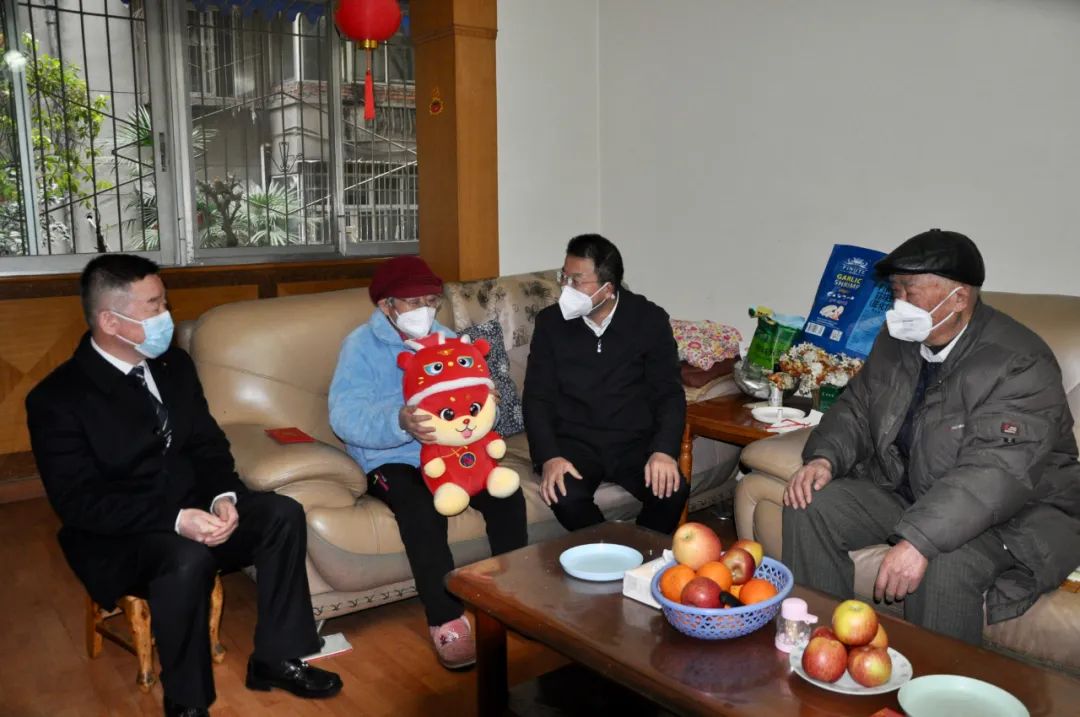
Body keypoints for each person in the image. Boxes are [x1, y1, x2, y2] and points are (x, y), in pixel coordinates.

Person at [25, 255, 341, 717]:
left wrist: (223, 496)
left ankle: (277, 658)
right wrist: (175, 520)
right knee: (186, 559)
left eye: (164, 302)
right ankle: (187, 702)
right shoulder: (57, 399)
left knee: (281, 514)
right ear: (110, 321)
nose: (166, 315)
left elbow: (207, 444)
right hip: (121, 535)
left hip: (194, 509)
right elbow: (79, 503)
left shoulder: (173, 365)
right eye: (154, 306)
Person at [782, 229, 1080, 645]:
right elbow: (858, 406)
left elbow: (995, 472)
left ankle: (939, 681)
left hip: (1015, 515)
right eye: (895, 291)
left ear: (959, 298)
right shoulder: (899, 340)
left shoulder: (1020, 363)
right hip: (916, 493)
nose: (898, 304)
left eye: (911, 291)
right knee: (810, 502)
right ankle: (822, 645)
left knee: (943, 560)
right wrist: (824, 458)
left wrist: (919, 541)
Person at [328, 255, 527, 670]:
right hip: (389, 457)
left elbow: (470, 391)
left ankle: (511, 596)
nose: (425, 310)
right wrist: (398, 421)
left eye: (431, 301)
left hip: (453, 453)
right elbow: (343, 416)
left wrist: (482, 404)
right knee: (421, 510)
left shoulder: (445, 337)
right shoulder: (360, 346)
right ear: (386, 304)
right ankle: (446, 620)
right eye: (413, 301)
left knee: (506, 494)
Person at [523, 234, 688, 534]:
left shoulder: (649, 320)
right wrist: (549, 456)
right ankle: (610, 553)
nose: (566, 288)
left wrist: (664, 450)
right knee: (564, 495)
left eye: (576, 281)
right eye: (564, 277)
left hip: (633, 441)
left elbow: (669, 393)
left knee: (672, 492)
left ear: (608, 288)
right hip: (574, 441)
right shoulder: (550, 323)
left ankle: (643, 554)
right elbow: (537, 398)